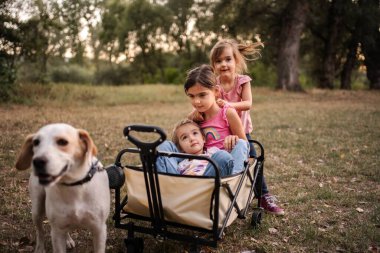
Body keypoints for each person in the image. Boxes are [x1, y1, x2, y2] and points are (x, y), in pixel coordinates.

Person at [210, 38, 285, 216]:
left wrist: (227, 104)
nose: (223, 64)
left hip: (242, 132)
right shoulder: (214, 84)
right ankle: (222, 195)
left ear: (236, 61)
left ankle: (263, 196)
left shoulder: (242, 81)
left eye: (228, 59)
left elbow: (248, 103)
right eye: (218, 61)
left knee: (253, 160)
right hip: (222, 133)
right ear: (213, 64)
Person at [156, 65, 249, 177]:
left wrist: (234, 139)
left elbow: (244, 147)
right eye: (192, 96)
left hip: (220, 169)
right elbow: (184, 143)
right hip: (196, 164)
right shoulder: (193, 117)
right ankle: (171, 180)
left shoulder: (228, 113)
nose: (197, 102)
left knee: (227, 152)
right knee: (164, 145)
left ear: (216, 91)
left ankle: (232, 182)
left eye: (202, 95)